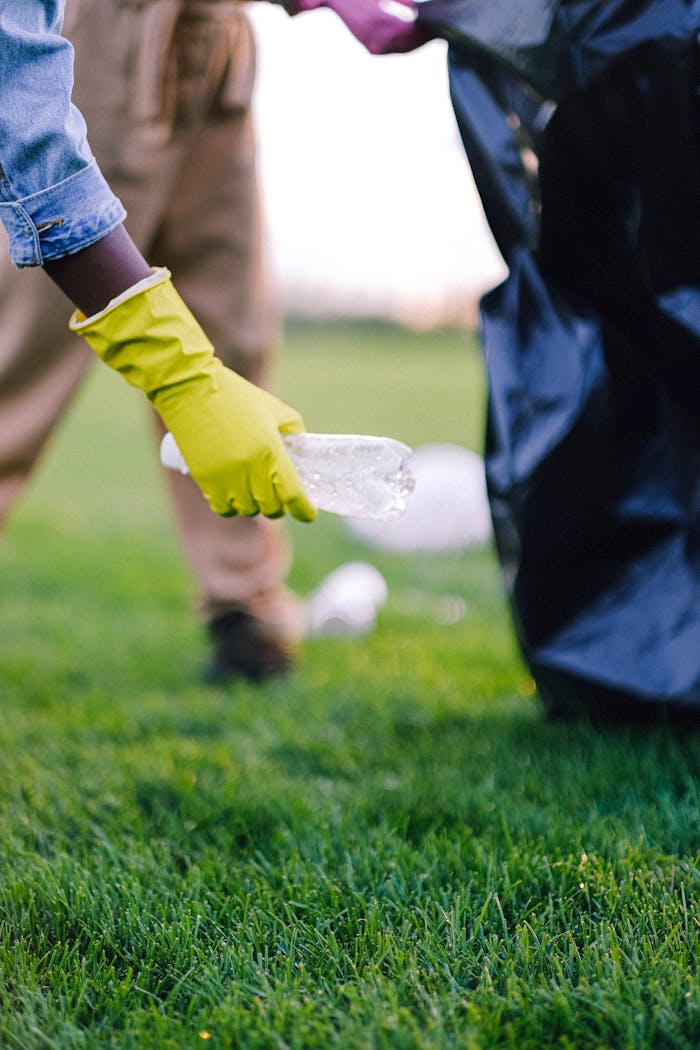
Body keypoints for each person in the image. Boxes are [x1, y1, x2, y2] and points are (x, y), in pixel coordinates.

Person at [0, 0, 430, 681]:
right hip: (114, 30)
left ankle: (244, 601)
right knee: (24, 350)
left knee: (231, 325)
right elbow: (34, 155)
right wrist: (179, 373)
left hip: (220, 30)